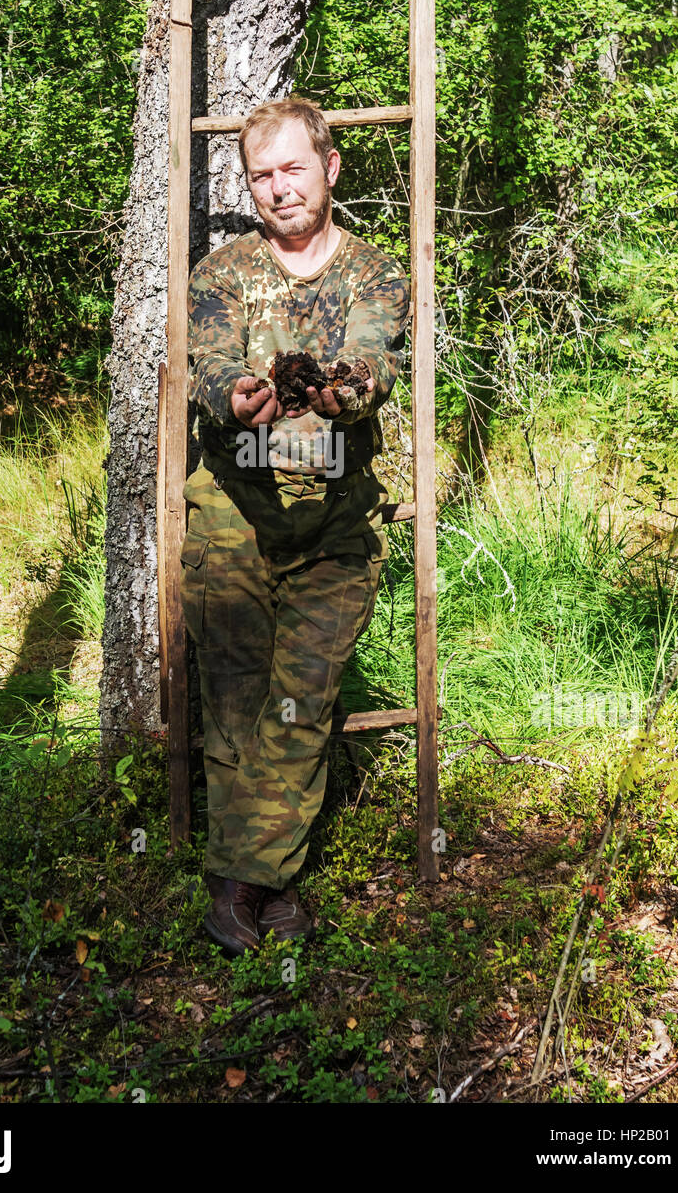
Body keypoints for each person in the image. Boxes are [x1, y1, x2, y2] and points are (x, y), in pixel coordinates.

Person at [181, 96, 411, 955]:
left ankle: (236, 887)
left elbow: (373, 362)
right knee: (237, 702)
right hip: (234, 512)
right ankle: (265, 892)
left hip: (334, 520)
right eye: (261, 174)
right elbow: (210, 366)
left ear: (330, 169)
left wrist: (333, 390)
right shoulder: (223, 273)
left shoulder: (376, 273)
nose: (278, 189)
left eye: (292, 169)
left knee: (300, 702)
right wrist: (237, 398)